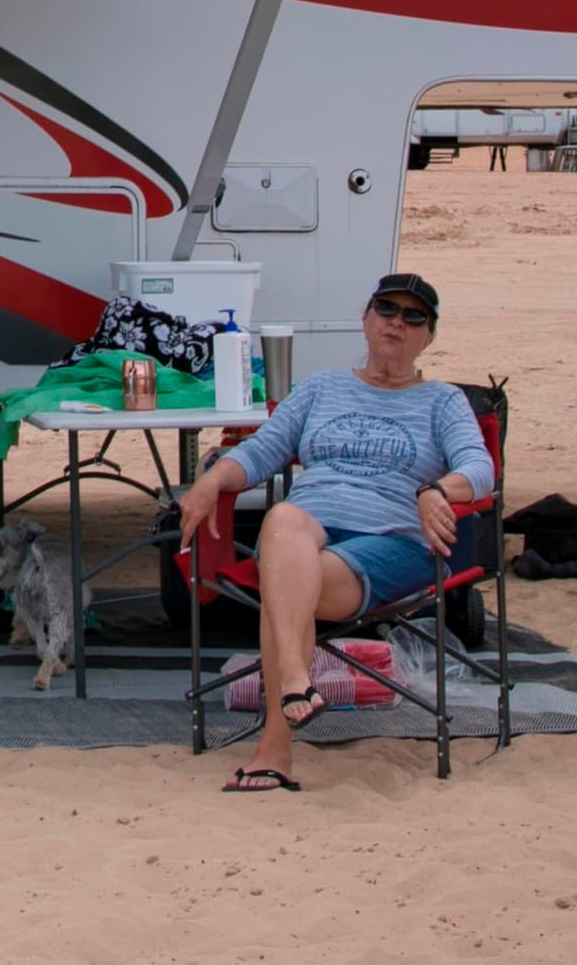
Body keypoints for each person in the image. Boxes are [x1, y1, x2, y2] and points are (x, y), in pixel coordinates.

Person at [171, 271, 493, 794]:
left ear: (428, 336)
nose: (398, 323)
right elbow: (259, 452)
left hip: (390, 542)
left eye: (415, 317)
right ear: (365, 320)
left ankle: (275, 746)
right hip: (307, 533)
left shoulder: (443, 401)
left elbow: (480, 468)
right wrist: (211, 481)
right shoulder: (321, 388)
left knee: (283, 577)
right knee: (282, 520)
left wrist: (437, 489)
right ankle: (296, 680)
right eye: (388, 310)